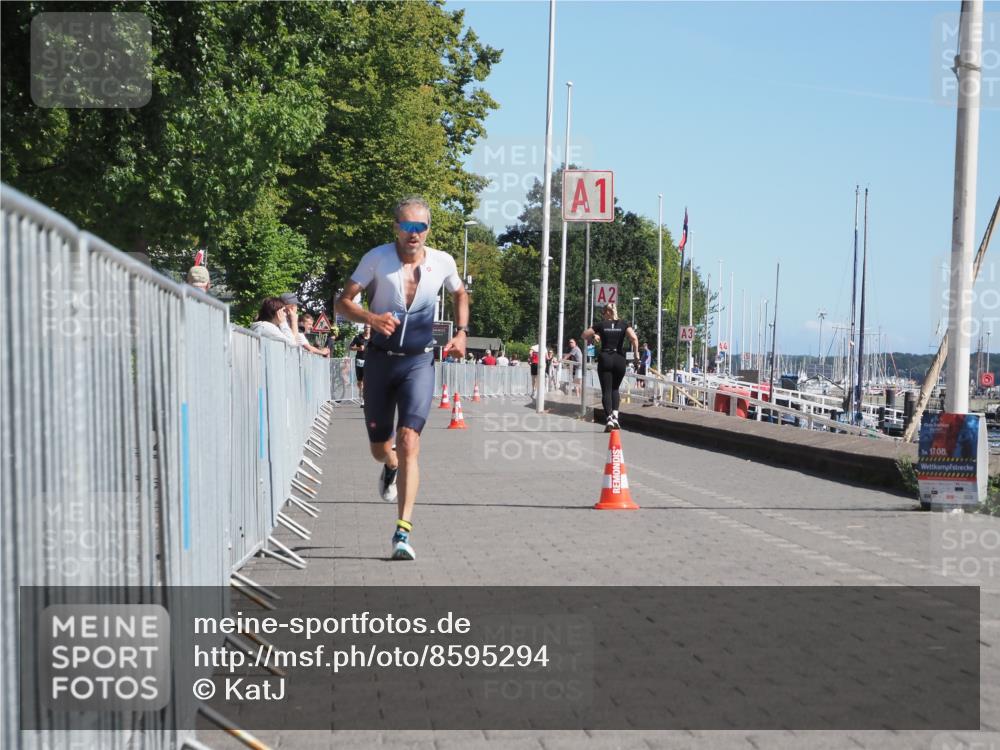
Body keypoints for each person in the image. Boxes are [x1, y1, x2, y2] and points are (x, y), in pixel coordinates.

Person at [334, 196, 468, 561]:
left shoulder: (443, 262)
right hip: (380, 362)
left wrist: (462, 332)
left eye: (420, 227)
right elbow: (342, 303)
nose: (414, 234)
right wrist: (370, 319)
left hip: (419, 364)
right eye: (407, 226)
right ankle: (389, 467)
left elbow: (460, 293)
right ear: (395, 227)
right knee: (381, 448)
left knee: (409, 440)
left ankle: (402, 532)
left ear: (428, 229)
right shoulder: (376, 258)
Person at [582, 303, 639, 431]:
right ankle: (616, 417)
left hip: (606, 358)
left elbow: (584, 334)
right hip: (619, 359)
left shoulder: (601, 325)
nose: (602, 314)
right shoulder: (624, 325)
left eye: (603, 312)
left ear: (608, 312)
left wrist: (593, 335)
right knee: (615, 389)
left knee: (606, 390)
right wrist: (636, 355)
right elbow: (634, 338)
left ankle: (609, 419)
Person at [350, 324, 372, 407]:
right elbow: (350, 347)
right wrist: (358, 348)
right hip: (359, 360)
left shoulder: (373, 338)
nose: (367, 329)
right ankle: (362, 396)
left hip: (370, 361)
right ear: (364, 328)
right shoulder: (358, 337)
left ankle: (365, 399)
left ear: (370, 329)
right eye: (366, 327)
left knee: (367, 380)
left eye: (368, 328)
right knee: (360, 381)